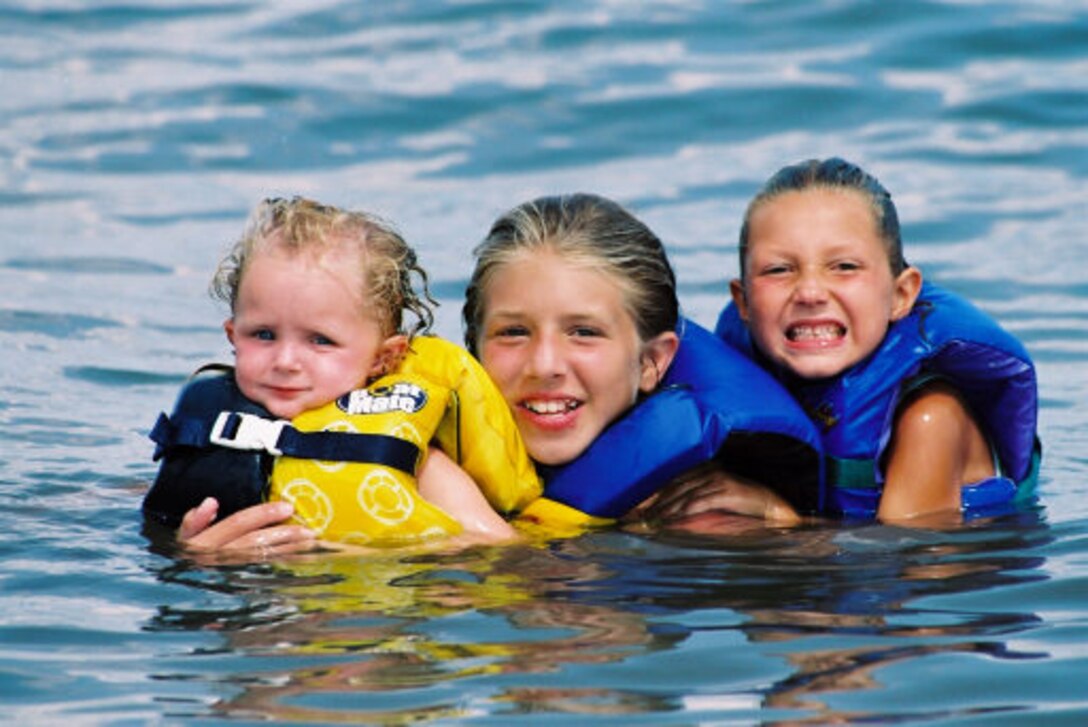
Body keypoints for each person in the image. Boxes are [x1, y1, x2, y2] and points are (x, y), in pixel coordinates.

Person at [143, 197, 539, 551]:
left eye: (320, 340)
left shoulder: (411, 460)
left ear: (383, 358)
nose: (285, 360)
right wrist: (186, 553)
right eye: (263, 334)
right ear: (233, 335)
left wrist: (349, 557)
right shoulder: (207, 436)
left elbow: (501, 551)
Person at [709, 157, 1040, 525]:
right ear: (743, 302)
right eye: (779, 269)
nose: (810, 292)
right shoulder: (750, 381)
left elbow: (894, 565)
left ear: (901, 294)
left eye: (845, 267)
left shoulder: (930, 417)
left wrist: (772, 512)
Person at [461, 193, 820, 530]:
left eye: (584, 332)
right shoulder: (425, 461)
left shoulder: (703, 512)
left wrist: (783, 523)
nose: (543, 364)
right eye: (513, 332)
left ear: (651, 362)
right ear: (474, 348)